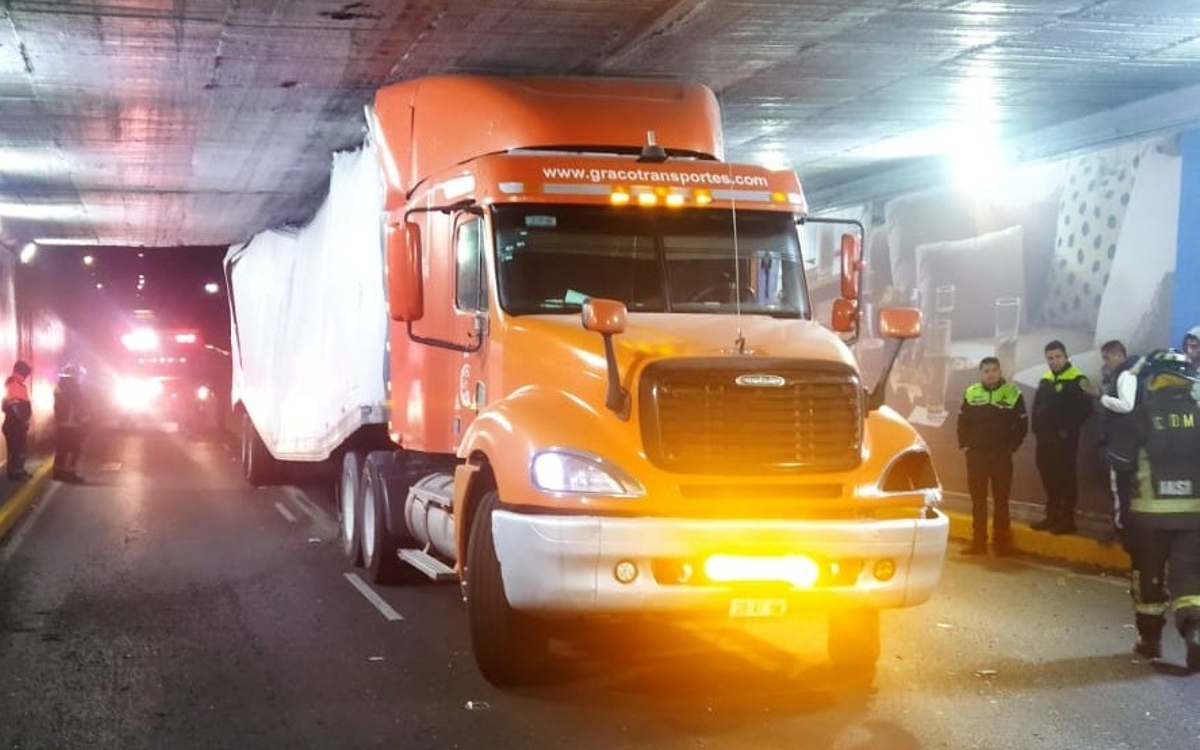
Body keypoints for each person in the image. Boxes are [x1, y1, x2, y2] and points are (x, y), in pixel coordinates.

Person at [1124, 349, 1200, 666]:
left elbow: (1120, 462)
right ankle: (1195, 633)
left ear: (1154, 379)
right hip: (1194, 516)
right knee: (1191, 579)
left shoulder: (1141, 415)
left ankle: (1150, 641)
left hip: (1148, 517)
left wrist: (1121, 517)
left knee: (1148, 580)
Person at [956, 356, 1028, 556]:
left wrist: (1011, 447)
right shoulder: (971, 392)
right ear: (981, 373)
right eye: (986, 371)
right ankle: (978, 543)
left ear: (1000, 371)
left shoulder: (1013, 393)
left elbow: (1022, 425)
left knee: (1001, 500)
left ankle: (1001, 543)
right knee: (978, 501)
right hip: (976, 456)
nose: (990, 374)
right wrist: (965, 445)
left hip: (1001, 457)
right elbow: (962, 422)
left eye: (994, 370)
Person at [1030, 340, 1094, 535]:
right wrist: (1037, 430)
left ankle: (1067, 520)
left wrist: (1067, 430)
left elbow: (1086, 409)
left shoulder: (1078, 379)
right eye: (1050, 358)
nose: (1054, 361)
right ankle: (1052, 516)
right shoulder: (1046, 379)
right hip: (1045, 440)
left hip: (1065, 440)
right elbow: (1037, 408)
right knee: (1048, 477)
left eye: (1058, 357)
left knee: (1065, 478)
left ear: (1066, 357)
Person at [1097, 340, 1138, 551]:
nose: (1106, 363)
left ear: (1119, 355)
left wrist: (1103, 398)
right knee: (1119, 490)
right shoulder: (1120, 374)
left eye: (1107, 358)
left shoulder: (1126, 375)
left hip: (1120, 445)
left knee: (1118, 490)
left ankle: (1122, 530)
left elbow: (1127, 405)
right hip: (1119, 442)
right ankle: (1121, 527)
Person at [53, 364, 87, 483]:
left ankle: (58, 473)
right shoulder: (73, 388)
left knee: (62, 450)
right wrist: (83, 418)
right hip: (71, 424)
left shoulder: (60, 387)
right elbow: (78, 406)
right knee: (74, 450)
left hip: (61, 424)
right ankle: (70, 474)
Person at [2, 359, 33, 481]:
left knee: (19, 449)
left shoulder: (18, 384)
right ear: (21, 372)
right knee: (17, 450)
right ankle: (15, 474)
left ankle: (18, 471)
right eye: (26, 373)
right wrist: (23, 421)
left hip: (16, 424)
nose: (26, 376)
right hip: (14, 425)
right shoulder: (14, 383)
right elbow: (15, 405)